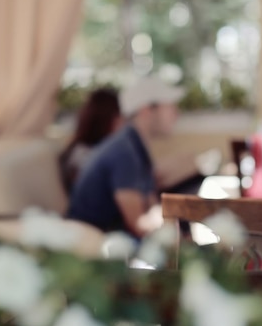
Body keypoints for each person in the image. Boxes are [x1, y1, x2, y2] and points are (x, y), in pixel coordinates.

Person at [66, 76, 185, 239]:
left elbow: (151, 206)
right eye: (170, 107)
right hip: (96, 249)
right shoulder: (124, 153)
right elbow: (138, 225)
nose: (176, 114)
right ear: (146, 111)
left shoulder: (135, 145)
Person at [59, 87, 123, 193]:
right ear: (107, 120)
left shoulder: (99, 150)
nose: (122, 125)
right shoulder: (82, 154)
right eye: (119, 118)